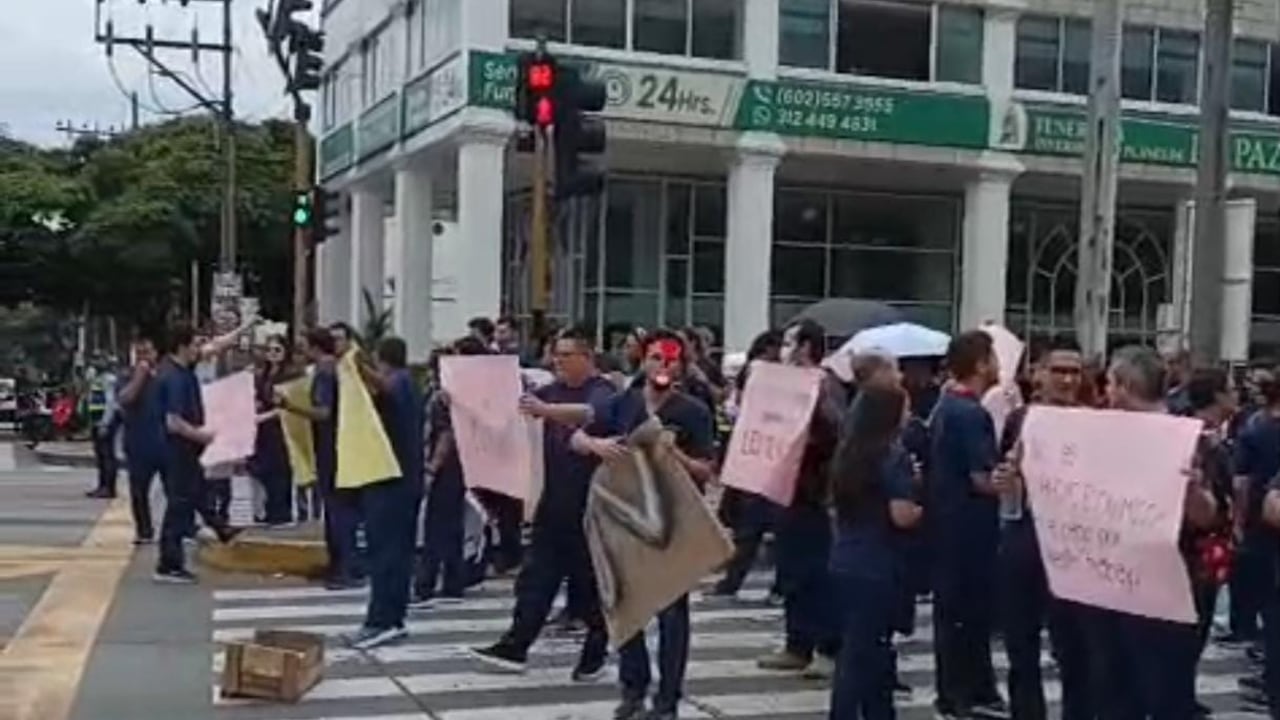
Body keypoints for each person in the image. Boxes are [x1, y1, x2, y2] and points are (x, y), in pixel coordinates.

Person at [571, 329, 715, 720]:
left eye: (671, 359)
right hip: (626, 518)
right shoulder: (623, 403)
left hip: (673, 523)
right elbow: (579, 437)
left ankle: (667, 700)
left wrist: (678, 457)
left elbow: (708, 471)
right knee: (625, 605)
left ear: (683, 366)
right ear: (643, 361)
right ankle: (633, 688)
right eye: (656, 358)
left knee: (672, 614)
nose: (663, 366)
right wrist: (595, 445)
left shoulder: (694, 411)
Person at [470, 326, 618, 680]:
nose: (558, 361)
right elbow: (516, 403)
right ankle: (515, 646)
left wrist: (546, 410)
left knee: (589, 589)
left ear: (587, 357)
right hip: (552, 505)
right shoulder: (550, 390)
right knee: (536, 579)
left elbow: (589, 414)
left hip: (591, 510)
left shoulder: (603, 391)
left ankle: (597, 652)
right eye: (556, 354)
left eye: (567, 355)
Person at [1085, 346, 1217, 720]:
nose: (1105, 393)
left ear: (1124, 386)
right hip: (1111, 585)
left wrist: (1190, 489)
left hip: (1166, 593)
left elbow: (1209, 517)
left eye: (1109, 384)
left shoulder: (1187, 438)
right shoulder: (1100, 436)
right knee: (1114, 696)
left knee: (1164, 697)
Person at [993, 338, 1092, 720]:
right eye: (1059, 370)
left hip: (1073, 545)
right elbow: (1006, 470)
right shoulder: (1020, 418)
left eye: (1074, 372)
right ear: (1038, 373)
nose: (1067, 380)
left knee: (1075, 649)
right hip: (1025, 538)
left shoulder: (1093, 421)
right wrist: (1007, 480)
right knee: (1021, 643)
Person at [828, 384, 923, 720]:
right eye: (905, 408)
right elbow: (901, 514)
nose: (909, 416)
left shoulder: (848, 452)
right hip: (878, 563)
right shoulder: (892, 455)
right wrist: (924, 506)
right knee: (863, 652)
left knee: (865, 650)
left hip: (845, 558)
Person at [757, 319, 845, 680]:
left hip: (816, 492)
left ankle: (827, 647)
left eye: (791, 341)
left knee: (818, 572)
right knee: (791, 568)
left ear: (808, 347)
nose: (784, 349)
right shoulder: (782, 383)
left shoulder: (825, 383)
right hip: (786, 489)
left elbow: (837, 427)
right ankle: (797, 643)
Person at [928, 330, 1007, 719]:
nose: (998, 364)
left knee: (956, 613)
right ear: (980, 363)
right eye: (992, 357)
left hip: (947, 523)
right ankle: (961, 692)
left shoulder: (945, 405)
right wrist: (1011, 477)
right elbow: (981, 478)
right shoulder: (971, 413)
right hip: (970, 528)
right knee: (968, 612)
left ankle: (966, 688)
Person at [348, 336, 424, 650]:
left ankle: (382, 620)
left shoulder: (401, 383)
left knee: (386, 553)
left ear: (382, 359)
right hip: (395, 480)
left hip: (393, 482)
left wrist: (357, 367)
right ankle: (391, 617)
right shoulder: (406, 384)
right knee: (393, 553)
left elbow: (385, 387)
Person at [153, 323, 239, 583]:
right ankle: (169, 562)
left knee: (196, 491)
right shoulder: (174, 377)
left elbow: (214, 348)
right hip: (177, 448)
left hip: (185, 449)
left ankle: (220, 527)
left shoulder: (180, 369)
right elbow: (174, 421)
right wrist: (203, 436)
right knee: (180, 503)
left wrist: (243, 328)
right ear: (182, 346)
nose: (199, 349)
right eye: (195, 344)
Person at [279, 328, 360, 590]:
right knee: (337, 509)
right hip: (337, 445)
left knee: (337, 510)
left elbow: (324, 412)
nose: (300, 350)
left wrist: (290, 407)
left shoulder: (325, 373)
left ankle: (344, 568)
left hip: (330, 446)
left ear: (315, 347)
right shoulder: (334, 369)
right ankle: (339, 564)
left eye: (304, 345)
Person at [415, 337, 488, 605]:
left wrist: (432, 467)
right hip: (462, 463)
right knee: (452, 524)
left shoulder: (447, 394)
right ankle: (453, 582)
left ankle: (426, 583)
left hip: (447, 465)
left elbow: (447, 432)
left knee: (436, 524)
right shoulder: (469, 391)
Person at [713, 329, 784, 598]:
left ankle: (734, 581)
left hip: (760, 457)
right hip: (760, 457)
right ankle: (735, 581)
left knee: (752, 527)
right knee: (753, 525)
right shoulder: (764, 372)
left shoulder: (760, 372)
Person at [1230, 368, 1280, 662]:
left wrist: (1237, 521)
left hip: (1259, 521)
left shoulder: (1255, 428)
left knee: (1265, 593)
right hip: (1266, 516)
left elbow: (1242, 482)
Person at [118, 336, 164, 544]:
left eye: (147, 352)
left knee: (178, 488)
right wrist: (139, 377)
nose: (143, 358)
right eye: (139, 353)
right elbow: (125, 398)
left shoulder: (166, 375)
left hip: (165, 441)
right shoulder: (128, 375)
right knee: (138, 491)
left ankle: (184, 527)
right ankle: (144, 530)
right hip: (137, 443)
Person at [252, 334, 294, 527]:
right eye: (269, 350)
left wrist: (264, 416)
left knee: (280, 471)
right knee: (264, 471)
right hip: (263, 431)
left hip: (280, 429)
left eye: (277, 350)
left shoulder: (289, 375)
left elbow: (286, 406)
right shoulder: (263, 375)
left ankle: (281, 513)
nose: (272, 354)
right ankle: (268, 511)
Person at [86, 358, 122, 498]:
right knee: (101, 456)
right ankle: (102, 486)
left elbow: (110, 402)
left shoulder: (108, 380)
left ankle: (108, 487)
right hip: (98, 421)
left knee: (107, 455)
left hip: (105, 422)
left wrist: (105, 423)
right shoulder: (98, 379)